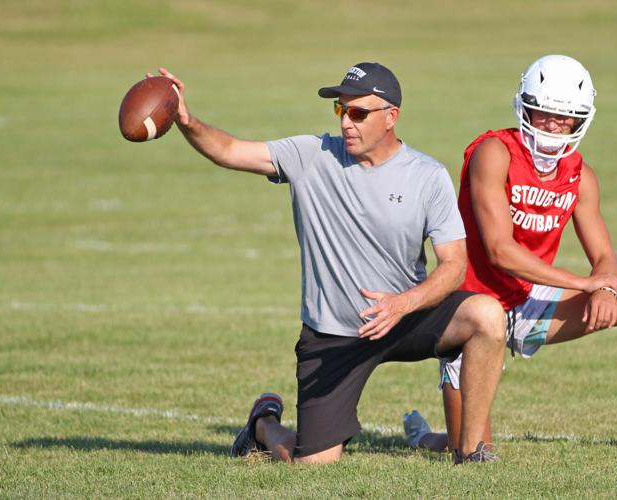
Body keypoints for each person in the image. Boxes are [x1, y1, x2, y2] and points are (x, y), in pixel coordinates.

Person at [149, 62, 507, 464]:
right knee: (313, 464)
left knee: (487, 316)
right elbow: (229, 151)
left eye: (359, 113)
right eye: (341, 111)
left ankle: (472, 451)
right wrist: (185, 120)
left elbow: (454, 266)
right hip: (334, 334)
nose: (347, 123)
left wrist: (401, 304)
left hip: (404, 317)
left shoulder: (427, 175)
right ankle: (263, 424)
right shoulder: (310, 155)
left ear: (391, 117)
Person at [402, 55, 617, 454]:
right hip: (473, 311)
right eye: (544, 112)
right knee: (473, 448)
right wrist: (585, 283)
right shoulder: (494, 154)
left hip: (527, 300)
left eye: (565, 117)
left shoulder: (579, 176)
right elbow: (500, 252)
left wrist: (608, 289)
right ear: (524, 107)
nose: (552, 124)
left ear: (582, 119)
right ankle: (425, 437)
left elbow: (605, 256)